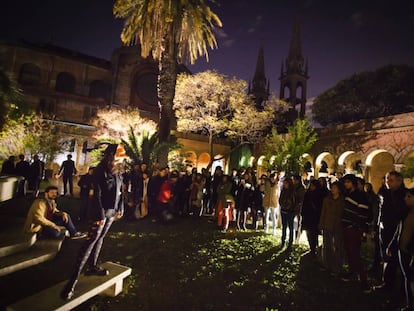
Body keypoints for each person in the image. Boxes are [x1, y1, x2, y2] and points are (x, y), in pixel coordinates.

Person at [61, 144, 124, 300]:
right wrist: (100, 216)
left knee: (100, 239)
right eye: (120, 154)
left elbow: (120, 190)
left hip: (111, 212)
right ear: (112, 155)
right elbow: (96, 195)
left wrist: (120, 207)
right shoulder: (100, 171)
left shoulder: (118, 170)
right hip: (100, 214)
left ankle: (92, 267)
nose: (123, 157)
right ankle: (72, 282)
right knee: (90, 242)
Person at [374, 171, 407, 300]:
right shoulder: (385, 193)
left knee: (397, 260)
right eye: (387, 179)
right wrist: (378, 226)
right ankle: (387, 282)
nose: (388, 182)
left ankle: (401, 291)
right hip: (384, 230)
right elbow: (381, 211)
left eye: (391, 180)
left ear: (399, 181)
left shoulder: (404, 195)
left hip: (397, 231)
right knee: (386, 257)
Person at [340, 174, 372, 291]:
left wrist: (359, 227)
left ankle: (364, 281)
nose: (345, 184)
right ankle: (352, 273)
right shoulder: (348, 194)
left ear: (353, 183)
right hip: (346, 227)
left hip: (355, 228)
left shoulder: (360, 195)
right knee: (349, 252)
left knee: (355, 254)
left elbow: (363, 213)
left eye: (348, 182)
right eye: (345, 182)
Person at [318, 181, 345, 275]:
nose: (333, 189)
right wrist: (321, 225)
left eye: (335, 188)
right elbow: (323, 213)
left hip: (338, 227)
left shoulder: (342, 201)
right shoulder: (327, 200)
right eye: (332, 187)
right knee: (327, 246)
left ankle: (337, 267)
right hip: (327, 225)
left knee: (338, 247)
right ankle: (327, 265)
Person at [398, 187, 414, 311]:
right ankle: (409, 303)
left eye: (409, 196)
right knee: (407, 277)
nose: (405, 199)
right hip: (403, 249)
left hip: (410, 251)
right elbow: (400, 229)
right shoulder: (406, 212)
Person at [301, 179, 326, 256]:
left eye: (313, 186)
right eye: (311, 185)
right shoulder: (307, 193)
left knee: (314, 233)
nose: (311, 187)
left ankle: (314, 248)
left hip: (315, 217)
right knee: (308, 232)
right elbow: (304, 204)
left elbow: (320, 206)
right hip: (307, 216)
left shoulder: (319, 194)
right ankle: (312, 247)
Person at [279, 177, 296, 249]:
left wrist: (290, 207)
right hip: (284, 211)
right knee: (284, 227)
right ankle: (283, 240)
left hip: (290, 211)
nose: (284, 184)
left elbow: (294, 201)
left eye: (286, 183)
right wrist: (282, 205)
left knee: (291, 227)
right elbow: (280, 199)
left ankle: (290, 242)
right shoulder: (283, 191)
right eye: (284, 183)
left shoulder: (292, 192)